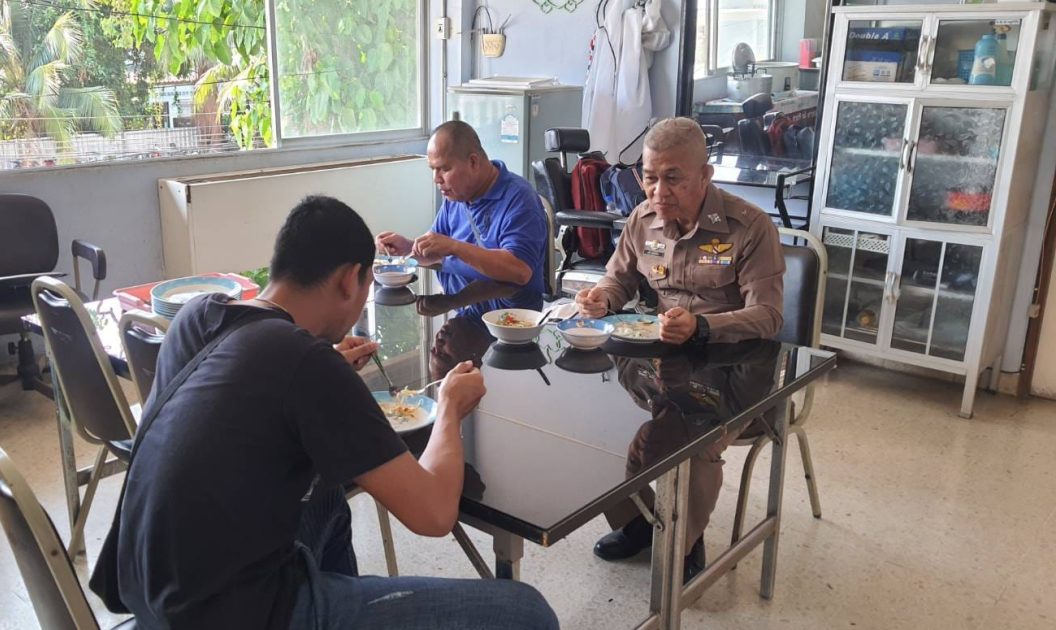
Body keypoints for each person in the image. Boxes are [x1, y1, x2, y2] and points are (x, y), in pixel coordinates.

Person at [110, 195, 558, 629]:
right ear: (349, 279)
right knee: (528, 613)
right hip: (239, 613)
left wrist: (322, 371)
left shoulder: (196, 317)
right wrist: (450, 407)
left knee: (327, 494)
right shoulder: (306, 363)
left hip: (150, 590)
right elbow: (435, 515)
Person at [574, 117, 785, 580]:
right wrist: (601, 298)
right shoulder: (642, 220)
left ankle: (683, 541)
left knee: (693, 437)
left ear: (705, 175)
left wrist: (703, 326)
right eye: (650, 178)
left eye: (673, 178)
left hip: (732, 365)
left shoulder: (748, 227)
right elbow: (617, 278)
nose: (659, 191)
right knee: (597, 420)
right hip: (662, 358)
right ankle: (639, 521)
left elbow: (769, 316)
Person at [377, 120, 549, 313]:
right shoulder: (456, 196)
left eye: (444, 169)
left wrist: (455, 247)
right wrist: (408, 247)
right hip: (462, 309)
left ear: (473, 162)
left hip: (509, 320)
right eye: (433, 169)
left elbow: (520, 271)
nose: (436, 179)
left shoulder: (519, 199)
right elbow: (437, 253)